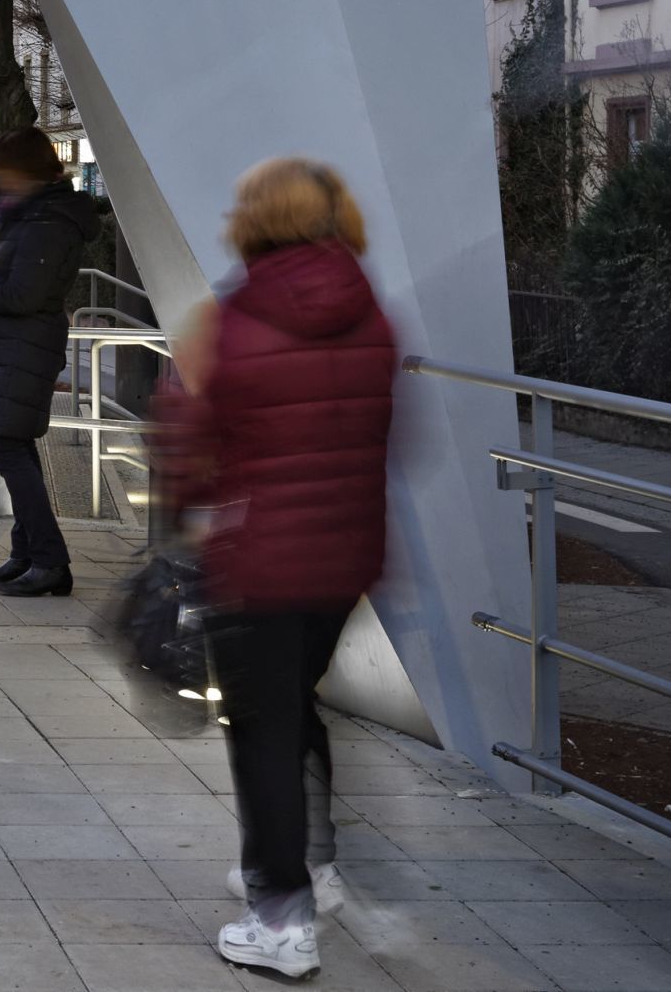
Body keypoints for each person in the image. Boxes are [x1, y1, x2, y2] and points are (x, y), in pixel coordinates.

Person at [162, 158, 394, 981]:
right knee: (294, 709)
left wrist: (177, 523)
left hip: (259, 556)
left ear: (254, 218)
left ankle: (281, 919)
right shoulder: (371, 314)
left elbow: (187, 443)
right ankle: (312, 868)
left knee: (260, 732)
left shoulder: (233, 316)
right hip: (347, 555)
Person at [0, 127, 99, 597]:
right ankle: (28, 554)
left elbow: (24, 295)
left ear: (27, 172)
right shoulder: (37, 215)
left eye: (6, 175)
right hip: (16, 344)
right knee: (15, 446)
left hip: (24, 345)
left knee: (9, 449)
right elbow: (25, 284)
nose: (1, 186)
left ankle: (50, 560)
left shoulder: (47, 222)